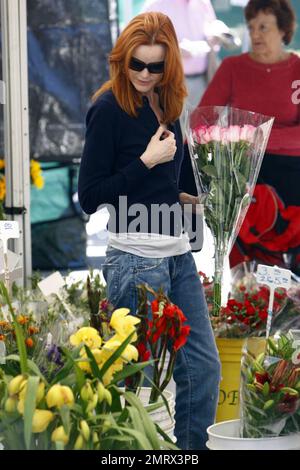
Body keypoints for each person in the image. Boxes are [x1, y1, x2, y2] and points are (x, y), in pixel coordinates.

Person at [78, 12, 220, 450]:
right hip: (134, 259)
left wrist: (205, 196)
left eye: (154, 66)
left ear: (169, 65)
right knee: (135, 383)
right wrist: (146, 161)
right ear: (122, 61)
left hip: (177, 254)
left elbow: (166, 187)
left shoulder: (166, 102)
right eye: (135, 64)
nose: (143, 73)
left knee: (203, 367)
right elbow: (90, 196)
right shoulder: (107, 109)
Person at [199, 0, 300, 269]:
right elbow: (202, 120)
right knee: (249, 273)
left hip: (292, 175)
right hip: (243, 174)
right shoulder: (233, 67)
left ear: (284, 30)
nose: (255, 34)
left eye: (264, 27)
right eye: (251, 27)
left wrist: (258, 135)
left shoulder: (297, 69)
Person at [141, 0, 219, 108]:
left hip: (203, 82)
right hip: (169, 85)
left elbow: (212, 28)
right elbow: (141, 42)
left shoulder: (203, 3)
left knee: (200, 124)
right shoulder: (155, 5)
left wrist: (215, 37)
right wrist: (174, 49)